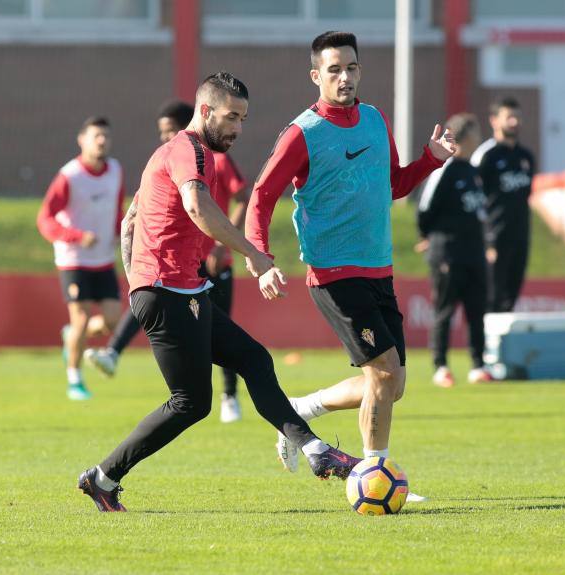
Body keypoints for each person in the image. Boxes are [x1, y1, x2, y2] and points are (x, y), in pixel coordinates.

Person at [77, 72, 360, 512]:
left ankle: (314, 450)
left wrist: (135, 278)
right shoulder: (190, 150)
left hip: (179, 289)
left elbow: (130, 219)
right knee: (190, 402)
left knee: (253, 359)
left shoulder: (171, 153)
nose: (238, 128)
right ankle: (103, 477)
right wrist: (252, 253)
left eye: (244, 119)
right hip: (169, 292)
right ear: (205, 111)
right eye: (232, 117)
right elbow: (196, 204)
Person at [245, 31, 455, 473]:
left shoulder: (376, 119)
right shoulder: (303, 132)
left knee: (392, 384)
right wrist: (260, 257)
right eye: (335, 69)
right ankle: (374, 475)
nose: (345, 77)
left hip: (379, 268)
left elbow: (393, 185)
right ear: (316, 75)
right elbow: (262, 195)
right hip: (335, 272)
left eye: (352, 67)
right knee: (381, 374)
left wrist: (430, 159)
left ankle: (302, 410)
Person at [84, 100, 251, 423]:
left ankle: (230, 396)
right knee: (148, 301)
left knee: (226, 334)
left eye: (169, 131)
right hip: (179, 263)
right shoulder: (169, 158)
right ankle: (113, 353)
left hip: (214, 260)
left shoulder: (215, 157)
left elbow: (242, 195)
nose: (165, 138)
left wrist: (221, 244)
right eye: (161, 133)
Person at [37, 116, 124, 401]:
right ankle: (74, 379)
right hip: (73, 259)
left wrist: (122, 233)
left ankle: (71, 335)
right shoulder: (70, 175)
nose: (102, 141)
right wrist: (75, 236)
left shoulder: (115, 171)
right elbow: (45, 219)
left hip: (103, 259)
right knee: (82, 318)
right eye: (96, 136)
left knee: (113, 321)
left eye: (106, 136)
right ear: (82, 140)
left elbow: (116, 211)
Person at [416, 113, 491, 388]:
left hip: (474, 252)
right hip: (447, 252)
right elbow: (424, 209)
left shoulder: (473, 171)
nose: (480, 137)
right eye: (476, 132)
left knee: (476, 310)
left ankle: (478, 365)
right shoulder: (444, 169)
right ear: (465, 136)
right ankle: (441, 366)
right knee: (444, 310)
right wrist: (427, 237)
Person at [471, 96, 535, 313]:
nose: (514, 122)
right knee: (491, 297)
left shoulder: (526, 157)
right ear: (494, 120)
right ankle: (486, 346)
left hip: (520, 236)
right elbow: (474, 201)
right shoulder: (486, 156)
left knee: (511, 296)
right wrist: (485, 240)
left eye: (517, 117)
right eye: (509, 117)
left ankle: (504, 347)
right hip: (494, 237)